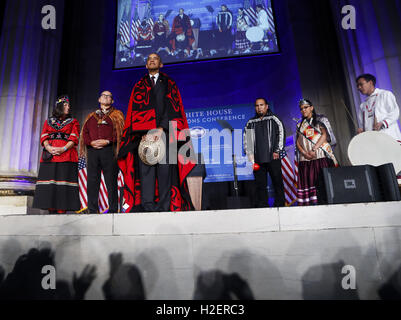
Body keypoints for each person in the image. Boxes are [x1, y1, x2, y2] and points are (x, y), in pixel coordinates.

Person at [117, 53, 195, 212]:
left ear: (161, 64)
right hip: (144, 137)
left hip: (166, 134)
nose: (152, 60)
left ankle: (165, 206)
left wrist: (160, 129)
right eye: (149, 59)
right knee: (146, 172)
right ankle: (148, 205)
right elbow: (134, 112)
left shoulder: (169, 83)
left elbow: (173, 108)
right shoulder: (139, 85)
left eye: (155, 58)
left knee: (165, 171)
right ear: (146, 65)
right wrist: (144, 133)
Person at [33, 95, 80, 213]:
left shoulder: (73, 121)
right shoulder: (48, 121)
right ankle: (51, 210)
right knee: (50, 183)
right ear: (59, 106)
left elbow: (74, 138)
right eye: (65, 105)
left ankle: (61, 211)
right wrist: (49, 147)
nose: (68, 107)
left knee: (63, 183)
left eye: (69, 105)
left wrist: (63, 149)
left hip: (66, 155)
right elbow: (44, 136)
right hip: (50, 155)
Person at [79, 91, 125, 213]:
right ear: (99, 99)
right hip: (93, 151)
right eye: (103, 95)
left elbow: (120, 133)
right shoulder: (91, 116)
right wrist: (90, 142)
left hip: (109, 151)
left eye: (108, 96)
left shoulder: (117, 115)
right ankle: (93, 209)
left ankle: (113, 209)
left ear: (112, 101)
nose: (105, 97)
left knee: (111, 181)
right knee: (92, 180)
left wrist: (108, 141)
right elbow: (85, 133)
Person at [243, 98, 286, 207]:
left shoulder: (274, 119)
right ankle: (263, 205)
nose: (259, 107)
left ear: (267, 106)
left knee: (277, 182)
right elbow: (247, 139)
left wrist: (277, 150)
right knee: (260, 184)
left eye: (261, 105)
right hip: (257, 158)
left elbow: (281, 134)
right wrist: (250, 154)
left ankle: (280, 204)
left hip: (273, 156)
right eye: (257, 105)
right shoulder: (250, 122)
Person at [296, 99, 338, 206]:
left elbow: (325, 135)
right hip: (305, 158)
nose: (303, 110)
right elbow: (297, 142)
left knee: (322, 182)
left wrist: (314, 150)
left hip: (319, 155)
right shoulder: (300, 124)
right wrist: (304, 153)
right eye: (301, 109)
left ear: (311, 107)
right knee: (309, 181)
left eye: (305, 107)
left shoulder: (321, 119)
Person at [356, 73, 401, 142]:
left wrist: (383, 123)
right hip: (375, 142)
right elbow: (362, 125)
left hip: (389, 138)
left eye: (361, 84)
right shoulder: (363, 105)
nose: (359, 88)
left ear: (370, 83)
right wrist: (361, 130)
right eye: (357, 86)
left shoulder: (385, 94)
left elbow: (395, 112)